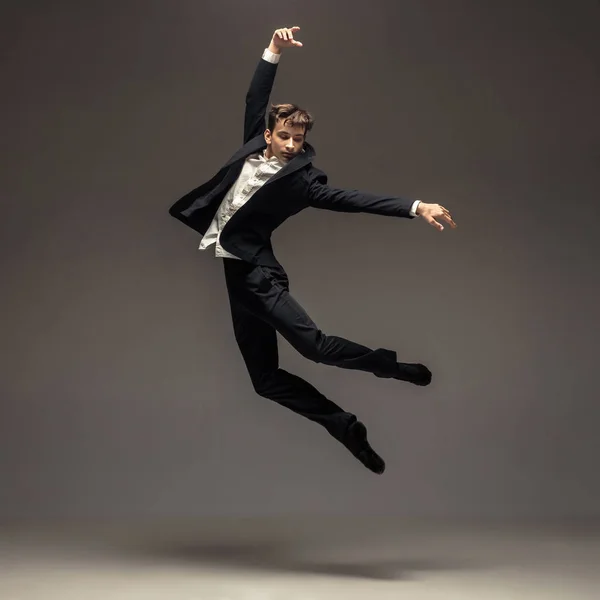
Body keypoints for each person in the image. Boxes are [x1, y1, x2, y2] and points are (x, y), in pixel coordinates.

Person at [169, 26, 457, 474]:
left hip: (260, 278)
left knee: (316, 348)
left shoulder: (304, 181)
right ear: (269, 135)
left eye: (297, 140)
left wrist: (415, 206)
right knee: (265, 381)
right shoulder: (251, 147)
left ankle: (390, 366)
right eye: (283, 136)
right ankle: (343, 425)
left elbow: (352, 199)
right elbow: (254, 100)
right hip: (236, 277)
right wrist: (273, 51)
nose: (289, 145)